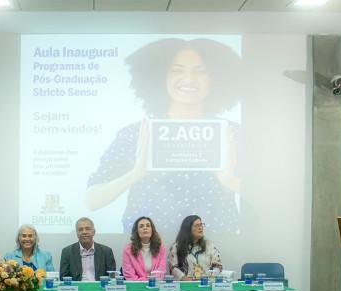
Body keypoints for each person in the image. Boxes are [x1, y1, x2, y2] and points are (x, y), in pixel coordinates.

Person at [85, 38, 244, 233]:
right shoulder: (137, 133)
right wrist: (136, 174)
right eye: (177, 70)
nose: (189, 78)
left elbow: (268, 195)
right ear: (160, 77)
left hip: (215, 248)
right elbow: (92, 200)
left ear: (216, 79)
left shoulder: (232, 134)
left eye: (201, 71)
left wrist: (230, 182)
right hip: (147, 251)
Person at [59, 217, 116, 281]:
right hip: (77, 289)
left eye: (87, 229)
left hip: (99, 289)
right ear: (77, 233)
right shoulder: (67, 252)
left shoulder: (106, 251)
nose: (84, 232)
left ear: (93, 232)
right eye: (80, 229)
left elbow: (112, 277)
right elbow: (63, 277)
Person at [167, 215, 221, 280]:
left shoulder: (209, 245)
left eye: (201, 225)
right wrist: (184, 278)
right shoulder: (176, 247)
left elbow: (218, 265)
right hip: (186, 286)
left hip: (206, 284)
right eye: (197, 225)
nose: (200, 228)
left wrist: (212, 276)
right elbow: (173, 268)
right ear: (188, 229)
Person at [121, 216, 166, 280]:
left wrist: (152, 282)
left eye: (148, 226)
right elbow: (129, 275)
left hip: (156, 285)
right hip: (137, 287)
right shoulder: (128, 250)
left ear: (152, 230)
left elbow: (161, 271)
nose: (145, 228)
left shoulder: (160, 248)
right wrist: (146, 282)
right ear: (137, 231)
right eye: (141, 226)